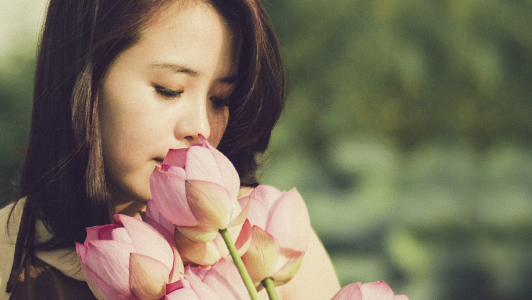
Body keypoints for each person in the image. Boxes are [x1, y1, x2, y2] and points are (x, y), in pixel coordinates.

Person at [0, 0, 340, 299]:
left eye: (219, 99)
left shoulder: (270, 237)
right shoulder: (6, 254)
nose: (201, 128)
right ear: (84, 78)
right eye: (169, 89)